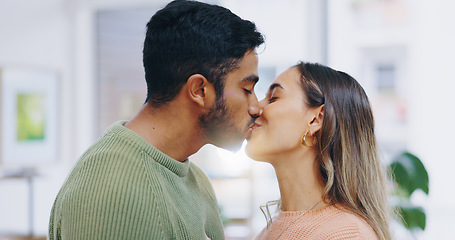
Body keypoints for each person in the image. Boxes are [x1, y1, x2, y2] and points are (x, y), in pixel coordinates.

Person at [48, 0, 264, 239]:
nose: (256, 107)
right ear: (200, 90)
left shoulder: (196, 180)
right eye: (247, 89)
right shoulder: (113, 187)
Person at [246, 62, 392, 240]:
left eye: (273, 98)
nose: (254, 108)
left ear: (317, 119)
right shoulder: (270, 231)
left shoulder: (346, 235)